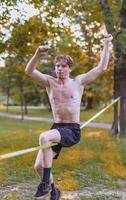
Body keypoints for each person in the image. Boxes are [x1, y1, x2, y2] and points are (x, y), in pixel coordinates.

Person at [25, 34, 113, 200]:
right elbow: (29, 71)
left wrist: (107, 44)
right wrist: (37, 54)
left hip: (71, 130)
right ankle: (54, 191)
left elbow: (101, 68)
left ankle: (44, 185)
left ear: (70, 68)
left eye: (64, 66)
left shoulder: (78, 82)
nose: (60, 68)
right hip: (57, 128)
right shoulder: (49, 82)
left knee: (44, 137)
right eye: (57, 65)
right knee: (38, 166)